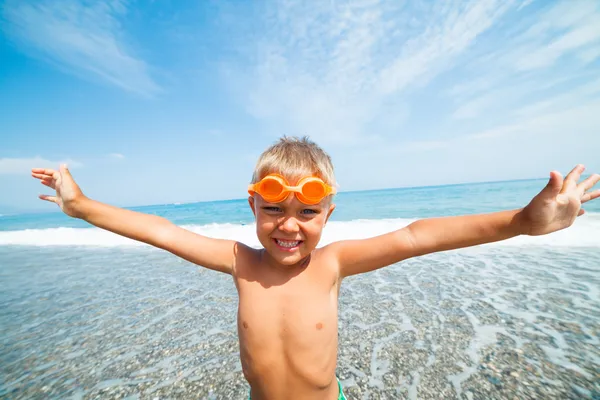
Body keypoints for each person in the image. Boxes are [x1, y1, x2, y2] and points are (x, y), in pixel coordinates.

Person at [31, 136, 599, 400]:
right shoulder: (239, 262)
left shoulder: (331, 265)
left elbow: (417, 234)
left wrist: (522, 221)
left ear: (329, 214)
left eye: (308, 213)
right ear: (252, 206)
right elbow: (161, 229)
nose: (289, 225)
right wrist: (80, 207)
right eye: (273, 209)